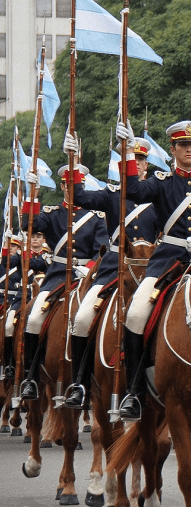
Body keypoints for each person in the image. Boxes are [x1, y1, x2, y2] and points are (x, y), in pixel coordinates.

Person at [115, 119, 191, 421]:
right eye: (183, 145)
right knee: (136, 313)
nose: (189, 149)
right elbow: (133, 192)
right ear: (173, 149)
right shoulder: (162, 182)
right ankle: (135, 391)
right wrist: (127, 153)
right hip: (167, 262)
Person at [63, 136, 160, 409]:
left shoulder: (156, 195)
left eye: (141, 161)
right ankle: (80, 383)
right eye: (133, 160)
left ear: (146, 167)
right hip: (115, 265)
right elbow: (76, 197)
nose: (137, 164)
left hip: (151, 265)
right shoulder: (110, 195)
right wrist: (73, 163)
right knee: (82, 318)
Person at [18, 164, 109, 401]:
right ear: (62, 186)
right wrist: (31, 195)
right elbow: (29, 225)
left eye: (76, 185)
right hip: (58, 274)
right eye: (68, 185)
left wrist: (88, 269)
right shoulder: (52, 212)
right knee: (35, 316)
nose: (72, 189)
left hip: (88, 276)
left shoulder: (97, 217)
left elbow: (102, 250)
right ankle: (31, 377)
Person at [1, 233, 47, 380]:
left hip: (43, 294)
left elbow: (45, 267)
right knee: (8, 325)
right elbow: (5, 262)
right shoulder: (22, 254)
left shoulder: (49, 255)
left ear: (44, 240)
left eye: (39, 237)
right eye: (32, 236)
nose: (35, 239)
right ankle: (10, 365)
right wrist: (6, 246)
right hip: (24, 295)